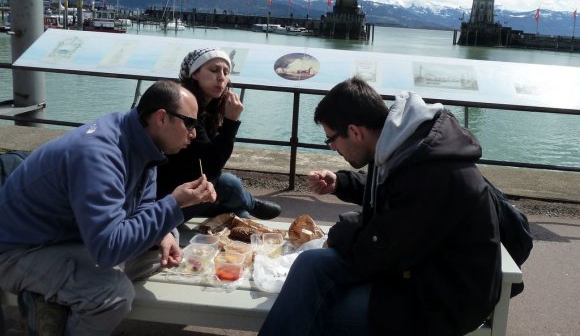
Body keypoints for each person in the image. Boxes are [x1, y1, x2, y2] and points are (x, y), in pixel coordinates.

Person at [259, 77, 502, 336]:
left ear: (355, 132)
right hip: (418, 266)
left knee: (314, 307)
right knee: (311, 264)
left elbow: (372, 253)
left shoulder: (429, 173)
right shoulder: (405, 146)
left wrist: (340, 232)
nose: (331, 147)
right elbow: (395, 190)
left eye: (331, 139)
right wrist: (342, 183)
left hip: (441, 299)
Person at [0, 80, 217, 335]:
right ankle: (53, 300)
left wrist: (163, 233)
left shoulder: (141, 141)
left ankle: (59, 295)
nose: (193, 133)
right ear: (162, 118)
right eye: (190, 123)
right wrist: (175, 203)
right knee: (113, 295)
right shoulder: (99, 155)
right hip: (19, 250)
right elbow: (108, 249)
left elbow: (143, 208)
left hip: (73, 238)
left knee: (166, 242)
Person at [156, 48, 281, 221]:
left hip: (185, 188)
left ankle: (242, 209)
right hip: (168, 198)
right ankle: (248, 204)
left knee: (230, 190)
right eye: (214, 70)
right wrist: (231, 122)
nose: (221, 77)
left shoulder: (209, 108)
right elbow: (212, 165)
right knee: (229, 184)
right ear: (194, 74)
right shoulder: (184, 110)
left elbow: (210, 160)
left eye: (226, 72)